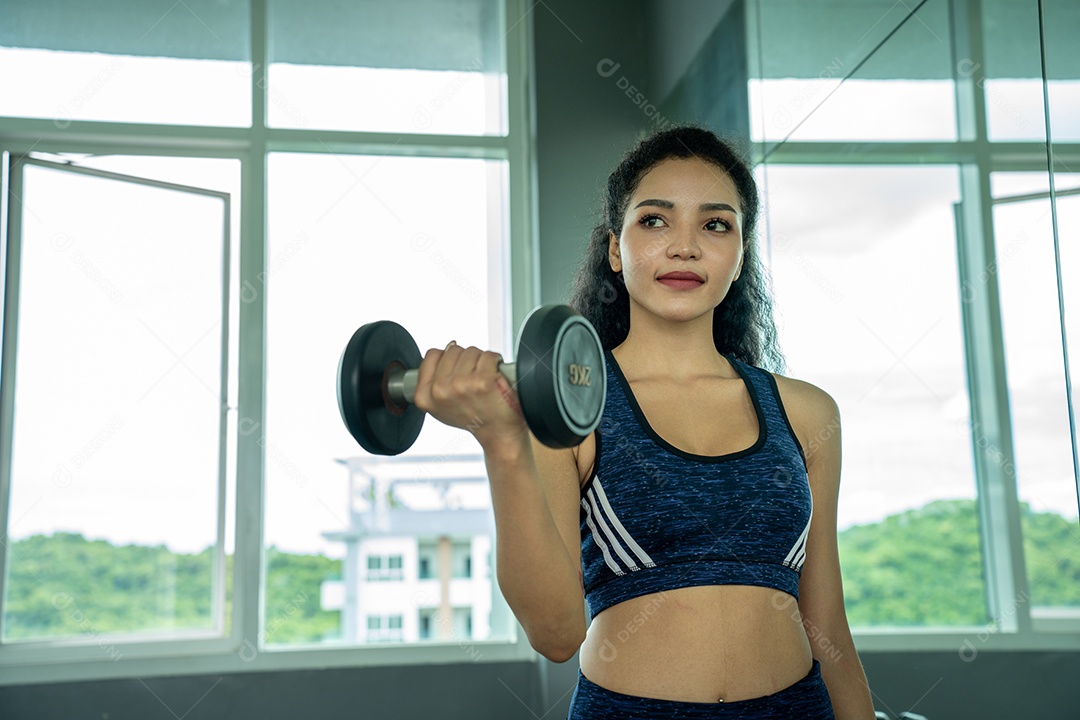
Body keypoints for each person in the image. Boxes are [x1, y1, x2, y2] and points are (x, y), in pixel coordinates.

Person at [411, 125, 876, 719]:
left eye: (715, 224)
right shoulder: (571, 411)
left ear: (740, 255)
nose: (685, 246)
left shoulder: (808, 412)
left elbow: (828, 624)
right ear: (615, 247)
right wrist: (500, 441)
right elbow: (555, 635)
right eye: (655, 220)